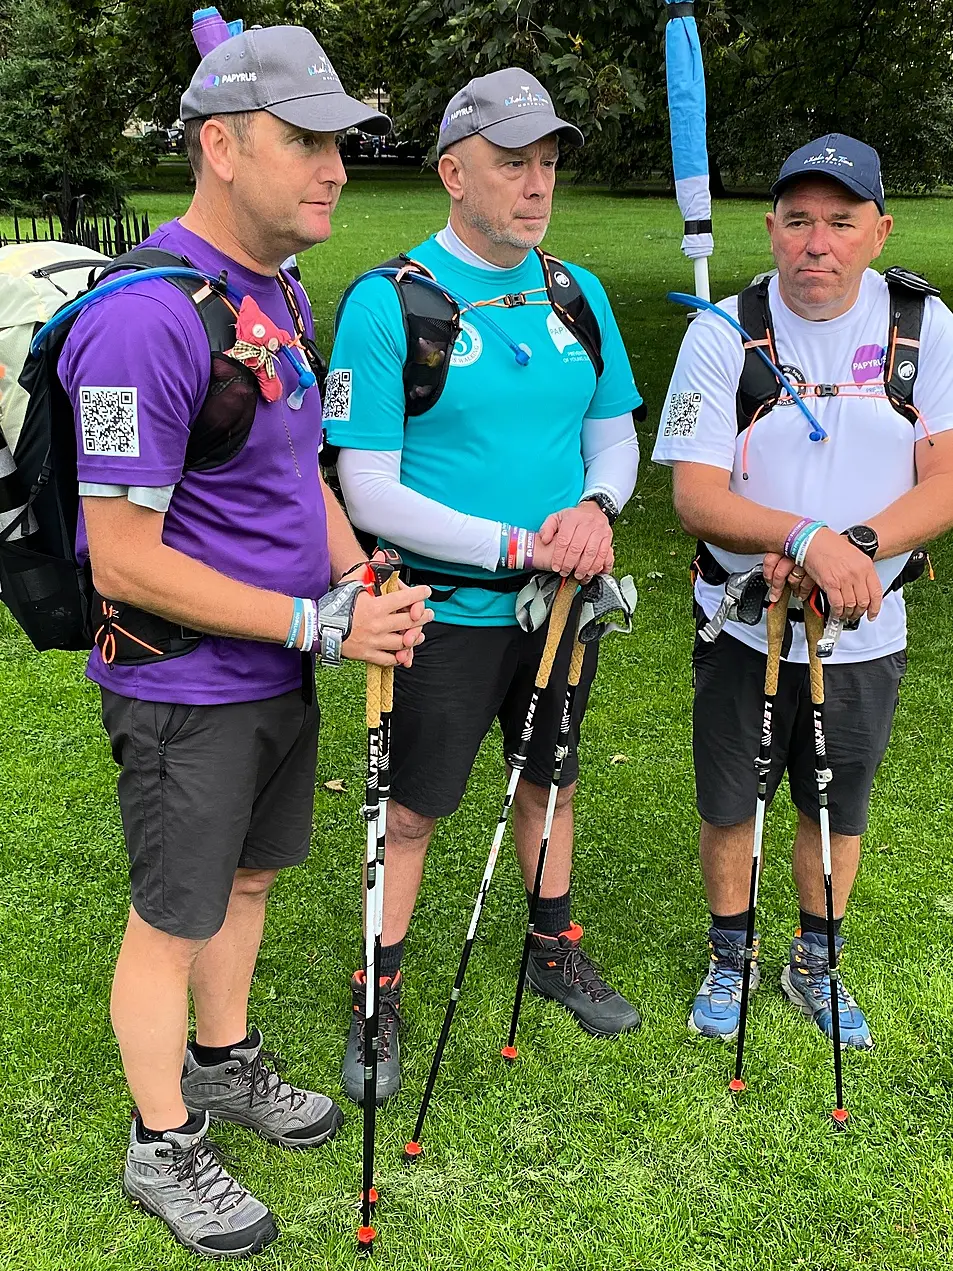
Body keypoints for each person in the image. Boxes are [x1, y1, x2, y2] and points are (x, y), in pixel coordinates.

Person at [59, 26, 431, 1260]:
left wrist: (352, 576)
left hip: (280, 662)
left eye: (340, 141)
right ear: (219, 147)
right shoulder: (139, 324)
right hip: (187, 684)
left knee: (252, 878)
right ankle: (161, 1141)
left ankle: (222, 1064)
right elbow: (119, 555)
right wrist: (312, 619)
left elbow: (294, 469)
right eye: (306, 141)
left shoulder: (275, 289)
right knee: (171, 916)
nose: (335, 167)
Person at [326, 68, 645, 1104]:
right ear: (452, 171)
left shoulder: (574, 290)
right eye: (512, 163)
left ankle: (551, 948)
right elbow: (364, 485)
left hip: (557, 605)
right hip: (442, 606)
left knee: (548, 775)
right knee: (411, 808)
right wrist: (518, 546)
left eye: (547, 163)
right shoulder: (388, 303)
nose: (536, 184)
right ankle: (378, 1001)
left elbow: (612, 437)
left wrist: (594, 508)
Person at [652, 133, 953, 1051]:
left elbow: (941, 479)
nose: (814, 242)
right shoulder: (721, 332)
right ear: (771, 228)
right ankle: (728, 954)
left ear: (877, 229)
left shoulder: (922, 327)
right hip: (746, 620)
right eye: (795, 221)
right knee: (731, 800)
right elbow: (694, 495)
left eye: (838, 220)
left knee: (835, 804)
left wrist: (853, 549)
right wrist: (799, 539)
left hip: (865, 625)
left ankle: (814, 960)